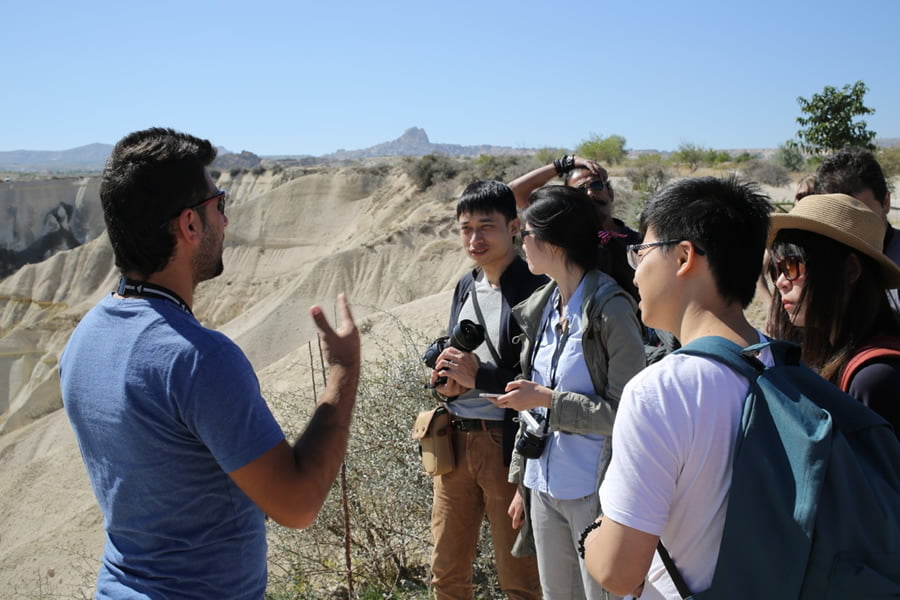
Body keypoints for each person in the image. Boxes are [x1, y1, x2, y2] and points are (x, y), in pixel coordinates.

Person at [59, 128, 361, 599]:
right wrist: (344, 369)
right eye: (219, 204)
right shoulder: (200, 359)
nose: (225, 218)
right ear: (190, 225)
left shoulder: (84, 338)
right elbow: (298, 504)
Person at [582, 176, 773, 600]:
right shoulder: (783, 364)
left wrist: (591, 534)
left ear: (684, 256)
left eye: (642, 252)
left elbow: (618, 572)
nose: (635, 273)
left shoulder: (661, 391)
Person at [489, 185, 645, 600]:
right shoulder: (542, 306)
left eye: (526, 234)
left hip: (595, 491)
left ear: (553, 243)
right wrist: (522, 482)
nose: (521, 243)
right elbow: (533, 412)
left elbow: (625, 414)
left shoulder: (611, 309)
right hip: (544, 485)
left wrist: (547, 400)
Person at [427, 180, 544, 600]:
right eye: (466, 228)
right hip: (454, 441)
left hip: (506, 447)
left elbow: (544, 377)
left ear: (513, 227)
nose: (474, 238)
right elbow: (458, 354)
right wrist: (446, 383)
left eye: (486, 227)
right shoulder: (466, 285)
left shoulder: (535, 288)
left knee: (520, 579)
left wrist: (481, 378)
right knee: (446, 573)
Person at [767, 193, 900, 433]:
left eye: (792, 266)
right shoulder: (831, 356)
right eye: (776, 269)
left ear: (850, 270)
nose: (780, 282)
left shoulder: (875, 377)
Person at [815, 147, 900, 310]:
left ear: (886, 202)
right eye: (836, 212)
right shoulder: (817, 261)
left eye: (860, 211)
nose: (849, 224)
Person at [508, 154, 641, 245]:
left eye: (596, 186)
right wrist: (565, 163)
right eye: (580, 190)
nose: (590, 193)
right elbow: (514, 191)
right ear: (569, 202)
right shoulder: (564, 242)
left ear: (610, 193)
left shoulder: (638, 242)